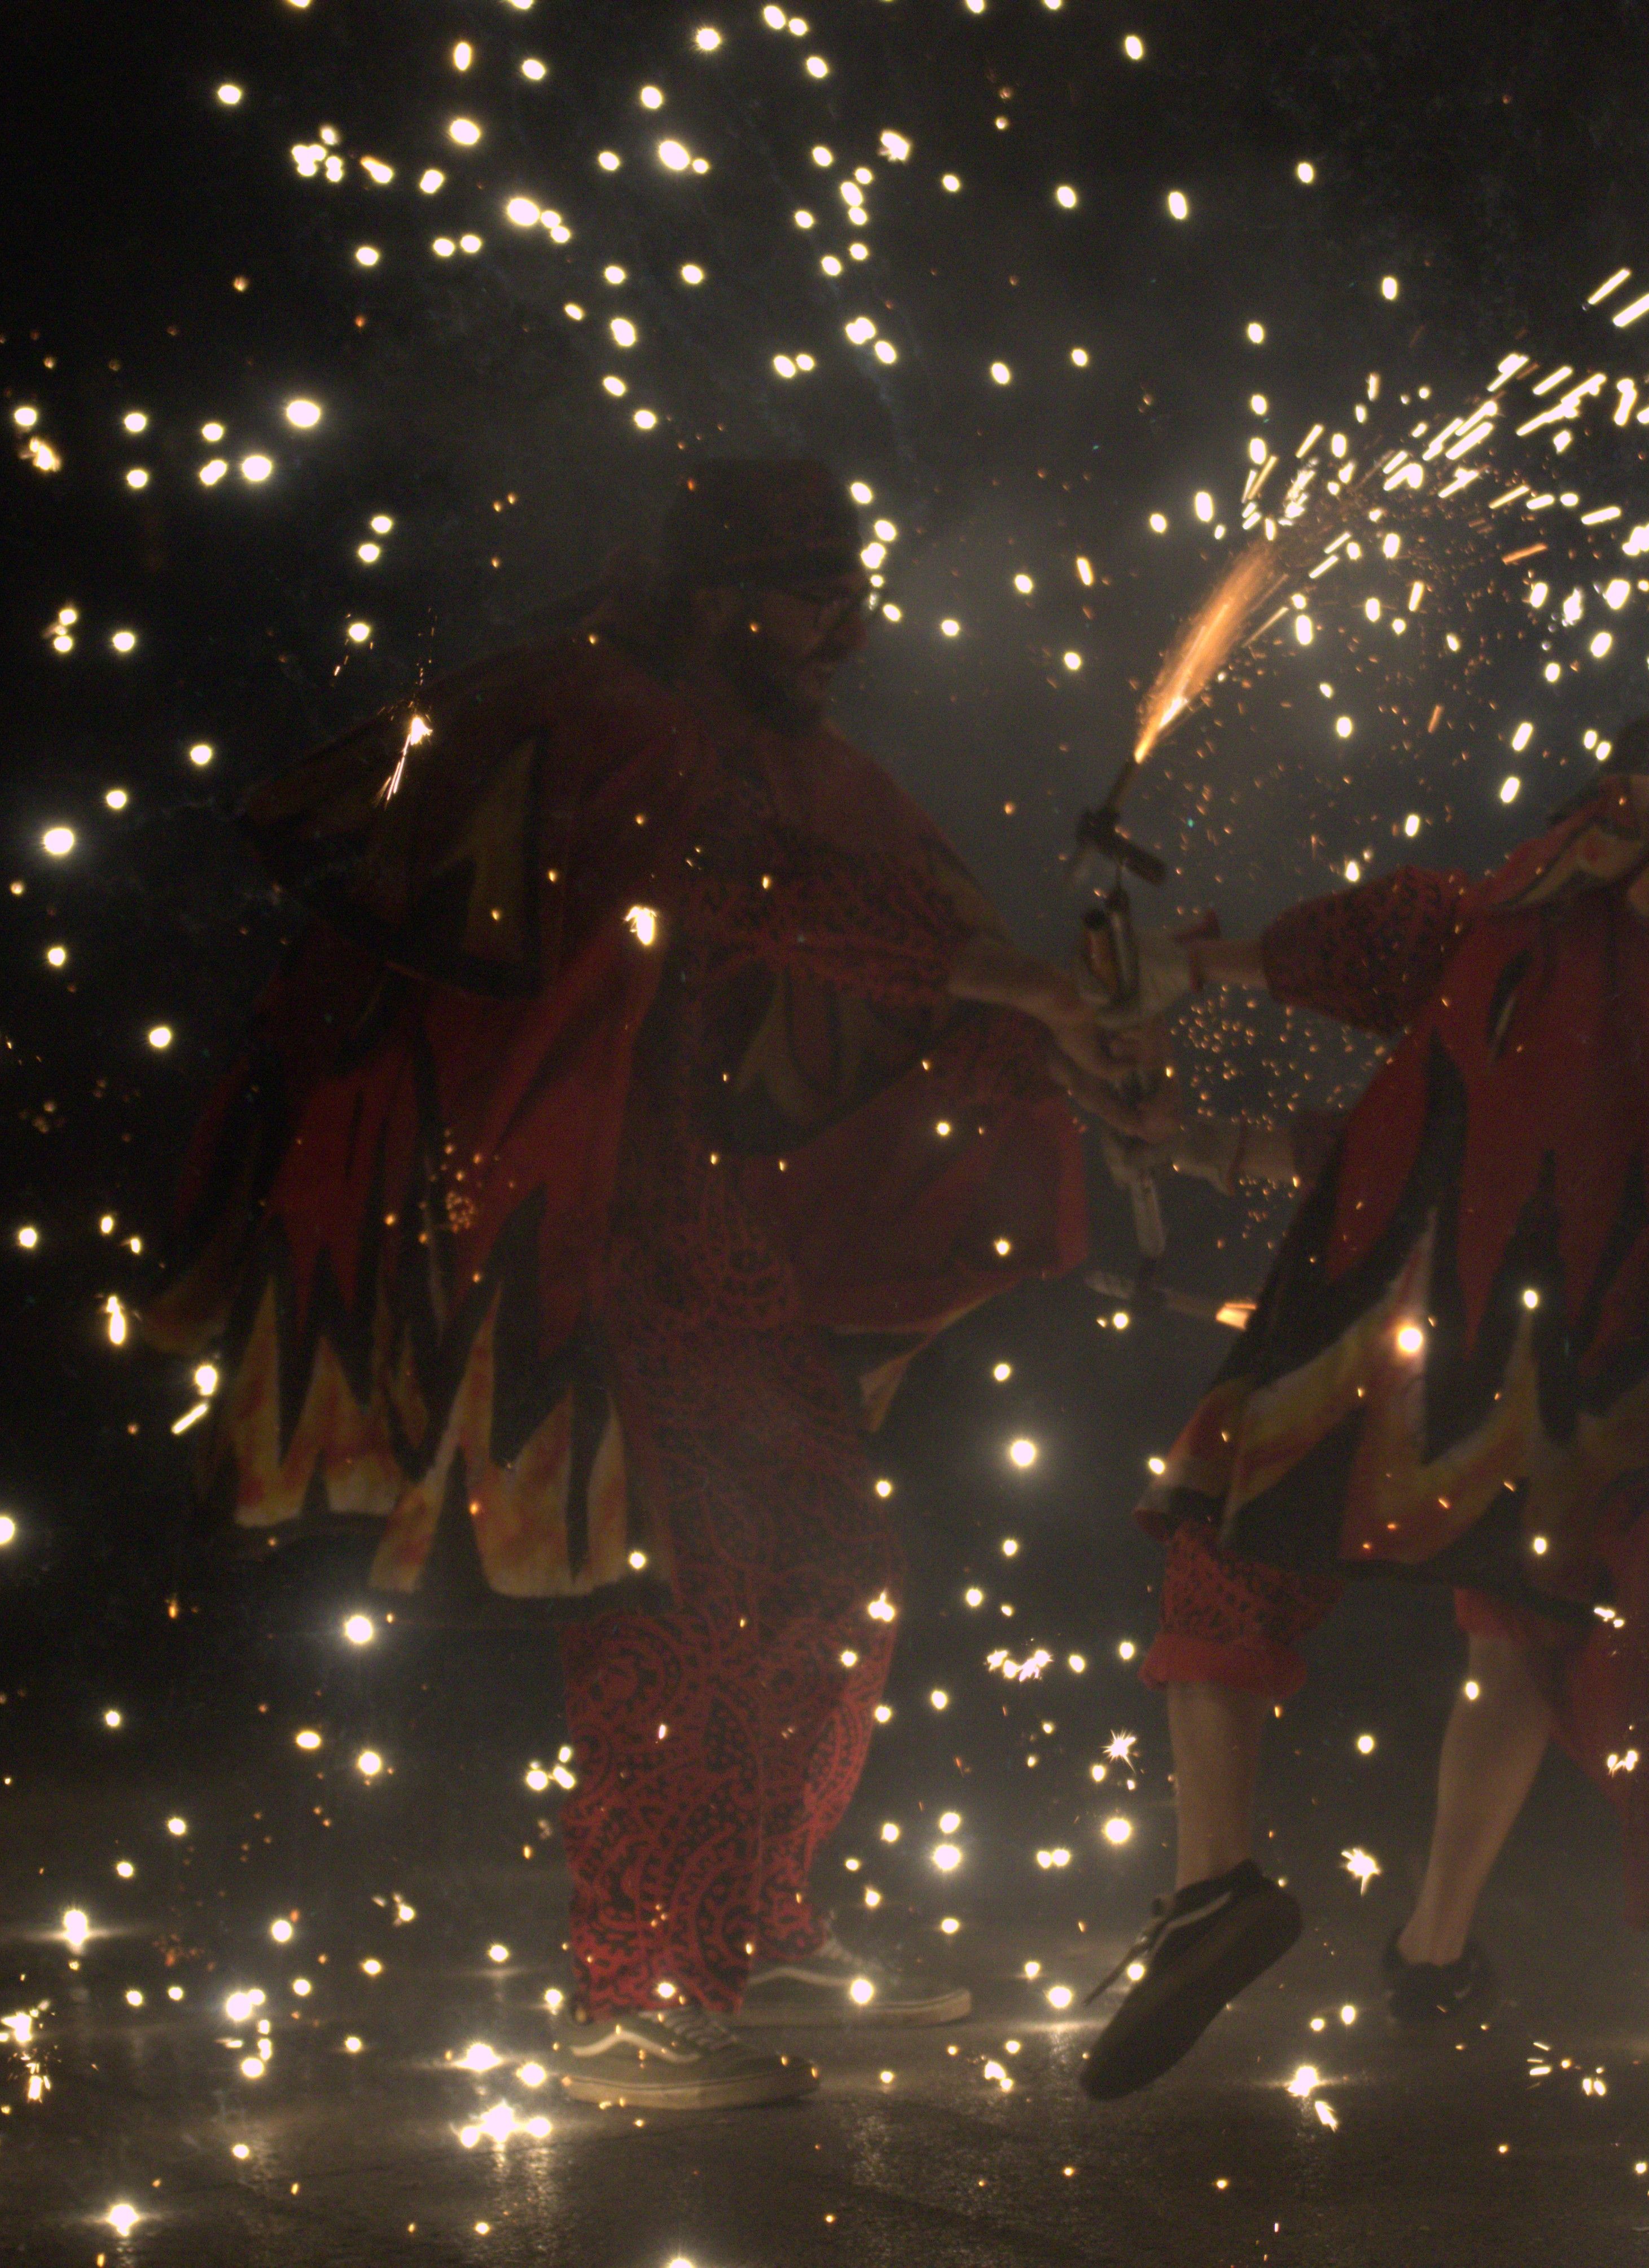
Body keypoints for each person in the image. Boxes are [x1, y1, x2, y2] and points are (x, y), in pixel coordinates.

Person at [144, 459, 1144, 2111]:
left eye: (854, 594)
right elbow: (747, 891)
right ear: (714, 594)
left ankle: (753, 1923)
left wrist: (1069, 1041)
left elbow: (894, 906)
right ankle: (632, 1992)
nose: (846, 632)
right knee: (671, 1591)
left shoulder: (787, 751)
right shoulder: (605, 714)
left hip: (694, 1213)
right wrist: (1017, 983)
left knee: (832, 1569)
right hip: (570, 1210)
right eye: (810, 595)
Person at [1077, 729, 1649, 2099]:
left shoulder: (1521, 917)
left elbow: (1416, 1071)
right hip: (1610, 1380)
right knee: (1518, 1625)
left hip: (1427, 1337)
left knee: (1230, 1549)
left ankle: (1215, 1885)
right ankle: (1433, 1950)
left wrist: (1187, 971)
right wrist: (1206, 1132)